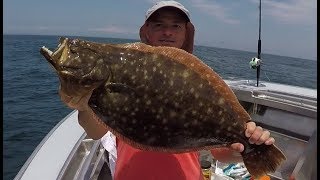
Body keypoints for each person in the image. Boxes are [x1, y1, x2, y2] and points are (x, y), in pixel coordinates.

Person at [59, 1, 275, 179]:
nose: (167, 32)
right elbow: (95, 132)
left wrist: (245, 147)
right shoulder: (124, 69)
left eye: (176, 26)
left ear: (186, 32)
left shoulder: (199, 82)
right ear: (146, 32)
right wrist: (84, 104)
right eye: (159, 25)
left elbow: (221, 152)